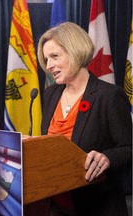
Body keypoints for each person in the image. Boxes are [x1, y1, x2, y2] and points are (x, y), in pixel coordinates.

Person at [37, 22, 132, 216]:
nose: (49, 66)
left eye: (55, 56)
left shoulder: (109, 96)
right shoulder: (50, 95)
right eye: (46, 59)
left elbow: (129, 147)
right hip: (55, 204)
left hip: (97, 205)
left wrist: (107, 158)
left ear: (75, 51)